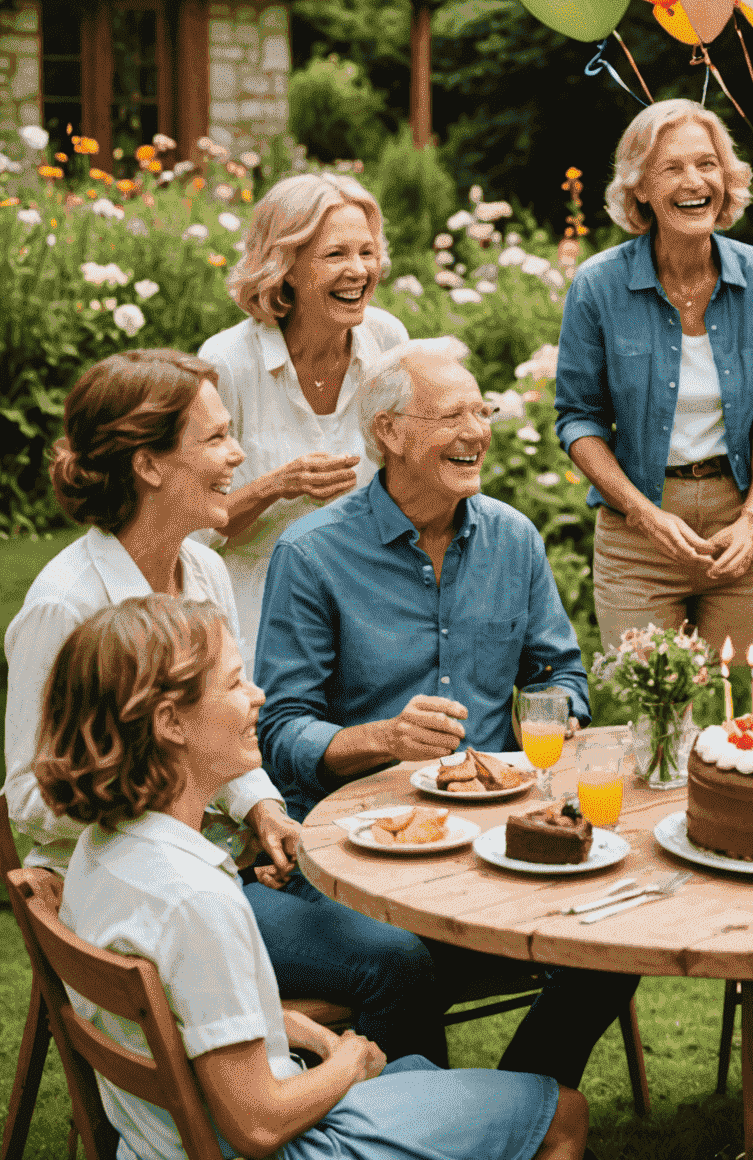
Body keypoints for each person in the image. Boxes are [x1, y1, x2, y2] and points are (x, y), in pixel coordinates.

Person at [2, 349, 449, 1064]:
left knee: (412, 908)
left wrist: (262, 811)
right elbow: (28, 792)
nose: (238, 455)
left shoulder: (203, 567)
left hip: (228, 858)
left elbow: (226, 719)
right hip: (140, 888)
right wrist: (165, 801)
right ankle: (370, 1119)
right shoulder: (67, 605)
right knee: (396, 961)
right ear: (148, 464)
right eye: (214, 439)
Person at [38, 594, 586, 1160]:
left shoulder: (100, 854)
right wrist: (348, 1062)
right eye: (233, 685)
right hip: (290, 1147)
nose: (258, 697)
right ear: (170, 723)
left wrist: (320, 1037)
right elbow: (258, 1127)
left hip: (158, 1143)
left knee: (418, 1068)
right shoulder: (194, 899)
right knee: (563, 1114)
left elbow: (190, 1016)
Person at [255, 336, 637, 1087]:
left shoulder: (512, 539)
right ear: (389, 433)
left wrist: (555, 719)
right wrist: (382, 738)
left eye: (481, 410)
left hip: (496, 833)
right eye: (451, 415)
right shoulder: (311, 555)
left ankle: (519, 1101)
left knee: (615, 927)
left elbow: (558, 669)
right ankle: (429, 1120)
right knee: (401, 959)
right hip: (353, 851)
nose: (477, 431)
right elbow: (280, 730)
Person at [555, 98, 753, 656]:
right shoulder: (598, 287)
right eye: (672, 168)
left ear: (727, 177)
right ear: (639, 187)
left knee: (742, 708)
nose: (695, 182)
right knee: (654, 711)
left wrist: (751, 518)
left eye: (707, 163)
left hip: (737, 527)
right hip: (636, 533)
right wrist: (643, 514)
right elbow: (578, 419)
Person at [200, 172, 408, 667]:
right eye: (335, 255)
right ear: (285, 265)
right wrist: (279, 484)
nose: (358, 271)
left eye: (367, 252)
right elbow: (194, 522)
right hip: (257, 608)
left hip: (367, 602)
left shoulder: (387, 340)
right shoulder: (229, 362)